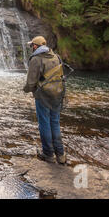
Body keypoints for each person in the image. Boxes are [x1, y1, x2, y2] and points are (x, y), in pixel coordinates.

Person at [23, 36, 66, 165]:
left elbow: (31, 83)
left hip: (43, 96)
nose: (31, 48)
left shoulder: (36, 59)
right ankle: (61, 155)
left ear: (36, 46)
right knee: (55, 123)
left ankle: (48, 154)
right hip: (57, 94)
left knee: (44, 124)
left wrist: (25, 90)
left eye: (32, 46)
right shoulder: (56, 57)